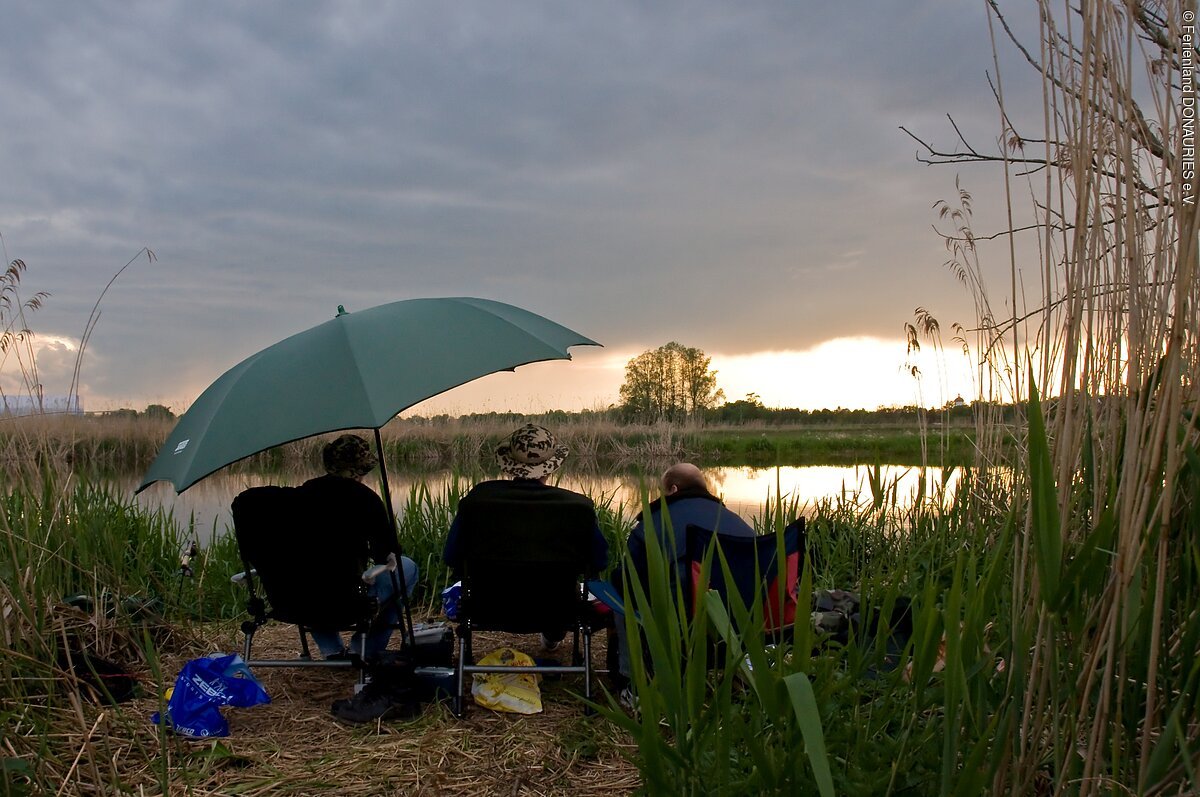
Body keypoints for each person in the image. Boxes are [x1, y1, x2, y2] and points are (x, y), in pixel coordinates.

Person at [443, 424, 608, 649]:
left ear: (509, 465)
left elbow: (451, 556)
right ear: (551, 467)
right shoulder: (578, 507)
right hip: (558, 610)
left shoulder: (477, 502)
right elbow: (599, 562)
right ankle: (553, 636)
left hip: (487, 607)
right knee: (563, 590)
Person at [610, 462, 755, 689]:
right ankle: (742, 674)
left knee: (622, 600)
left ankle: (634, 685)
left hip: (683, 629)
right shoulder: (735, 521)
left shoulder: (653, 522)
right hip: (740, 626)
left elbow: (628, 580)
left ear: (674, 490)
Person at [301, 434, 419, 660]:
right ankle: (364, 648)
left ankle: (331, 649)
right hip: (348, 598)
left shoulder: (300, 493)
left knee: (311, 577)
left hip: (298, 597)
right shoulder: (365, 499)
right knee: (407, 567)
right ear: (360, 470)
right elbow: (387, 553)